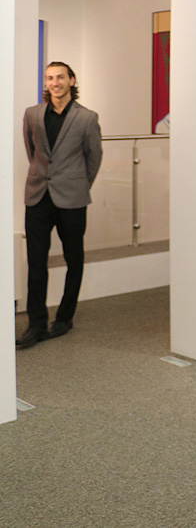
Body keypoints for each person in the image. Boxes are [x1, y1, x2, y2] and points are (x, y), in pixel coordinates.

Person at [16, 62, 103, 350]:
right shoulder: (32, 114)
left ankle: (65, 318)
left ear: (71, 80)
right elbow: (32, 151)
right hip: (38, 195)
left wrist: (79, 185)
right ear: (46, 82)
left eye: (60, 77)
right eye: (50, 78)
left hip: (72, 198)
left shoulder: (87, 118)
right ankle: (36, 324)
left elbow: (93, 158)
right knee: (36, 262)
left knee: (73, 258)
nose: (55, 82)